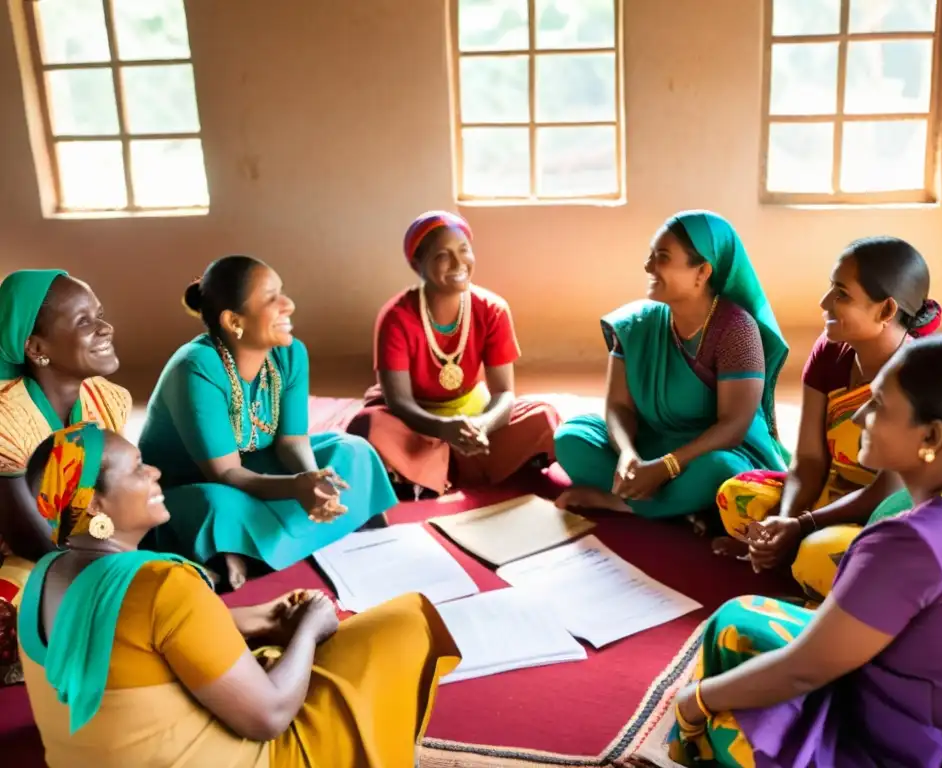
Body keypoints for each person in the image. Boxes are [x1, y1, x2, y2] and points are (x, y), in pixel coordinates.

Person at [669, 334, 942, 768]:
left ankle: (689, 745)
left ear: (931, 435)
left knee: (728, 686)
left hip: (924, 754)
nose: (858, 416)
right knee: (742, 619)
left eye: (878, 405)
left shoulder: (910, 543)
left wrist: (695, 700)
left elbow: (803, 670)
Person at [17, 423, 461, 767]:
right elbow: (269, 718)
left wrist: (262, 617)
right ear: (93, 504)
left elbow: (130, 639)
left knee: (264, 648)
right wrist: (309, 629)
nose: (154, 472)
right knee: (405, 623)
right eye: (137, 468)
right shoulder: (161, 582)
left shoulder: (41, 575)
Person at [138, 256, 396, 590]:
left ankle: (250, 551)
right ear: (233, 320)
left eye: (283, 292)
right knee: (214, 507)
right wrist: (295, 487)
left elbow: (292, 441)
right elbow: (226, 473)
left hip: (255, 468)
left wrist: (315, 480)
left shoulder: (289, 354)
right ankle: (299, 534)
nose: (288, 304)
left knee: (352, 451)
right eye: (271, 298)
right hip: (196, 484)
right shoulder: (196, 368)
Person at [714, 237, 942, 601]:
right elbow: (808, 459)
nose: (824, 303)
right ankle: (793, 552)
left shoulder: (920, 376)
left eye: (841, 294)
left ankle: (806, 561)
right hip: (831, 493)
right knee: (735, 497)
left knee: (819, 556)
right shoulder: (830, 351)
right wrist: (785, 521)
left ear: (885, 311)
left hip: (893, 511)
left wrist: (802, 526)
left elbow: (889, 490)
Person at [553, 210, 788, 519]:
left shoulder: (736, 331)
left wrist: (667, 467)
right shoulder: (635, 324)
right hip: (650, 441)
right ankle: (677, 508)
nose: (648, 266)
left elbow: (732, 427)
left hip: (707, 452)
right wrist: (627, 455)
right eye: (651, 255)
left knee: (723, 471)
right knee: (571, 437)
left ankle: (624, 503)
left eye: (662, 257)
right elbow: (618, 407)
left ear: (702, 272)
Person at [348, 210, 560, 498]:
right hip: (416, 422)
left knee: (543, 417)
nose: (459, 263)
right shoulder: (395, 317)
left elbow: (504, 395)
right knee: (369, 425)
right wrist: (442, 428)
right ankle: (454, 465)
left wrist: (482, 425)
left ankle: (423, 474)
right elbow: (399, 402)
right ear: (417, 264)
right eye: (442, 256)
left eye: (464, 250)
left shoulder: (492, 309)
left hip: (474, 415)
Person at [0, 269, 130, 686]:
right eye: (84, 321)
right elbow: (28, 539)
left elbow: (115, 496)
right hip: (18, 554)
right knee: (19, 600)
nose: (105, 328)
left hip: (77, 543)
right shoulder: (8, 419)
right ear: (36, 347)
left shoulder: (107, 401)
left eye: (100, 314)